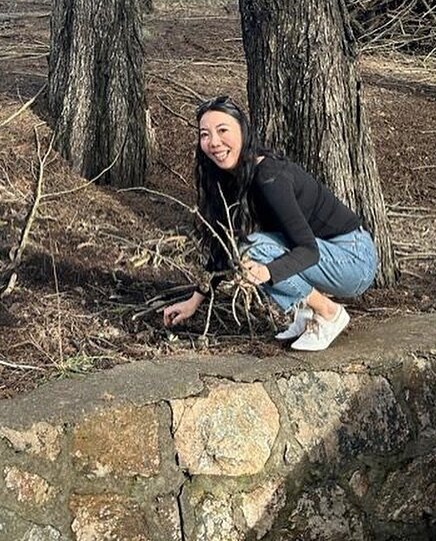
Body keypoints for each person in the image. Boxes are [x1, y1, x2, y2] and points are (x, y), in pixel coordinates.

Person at [162, 94, 378, 351]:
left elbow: (309, 250)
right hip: (329, 255)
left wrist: (268, 272)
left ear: (243, 131)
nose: (214, 142)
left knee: (253, 248)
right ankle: (306, 313)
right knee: (242, 245)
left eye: (222, 130)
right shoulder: (230, 178)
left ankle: (328, 312)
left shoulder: (269, 178)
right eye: (205, 134)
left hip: (354, 259)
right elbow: (225, 246)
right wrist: (194, 301)